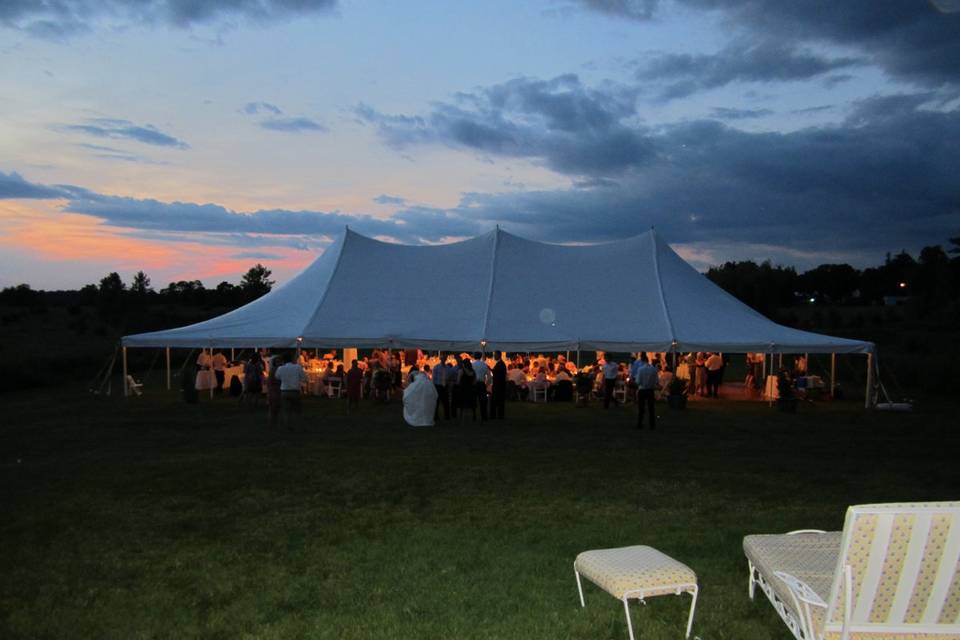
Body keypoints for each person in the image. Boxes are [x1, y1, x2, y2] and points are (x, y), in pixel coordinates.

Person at [275, 354, 307, 430]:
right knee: (297, 410)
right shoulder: (298, 367)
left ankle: (287, 426)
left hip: (284, 391)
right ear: (293, 359)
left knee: (286, 410)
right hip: (295, 391)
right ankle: (298, 426)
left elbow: (277, 377)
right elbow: (304, 378)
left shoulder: (280, 368)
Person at [629, 352, 658, 429]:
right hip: (650, 390)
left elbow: (638, 382)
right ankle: (652, 424)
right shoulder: (653, 369)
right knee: (651, 408)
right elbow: (656, 381)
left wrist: (633, 382)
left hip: (642, 390)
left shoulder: (640, 369)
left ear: (642, 359)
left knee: (641, 408)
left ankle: (639, 424)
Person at [471, 352, 490, 421]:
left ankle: (474, 415)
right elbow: (489, 376)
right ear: (481, 357)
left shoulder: (472, 364)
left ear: (474, 356)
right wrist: (486, 384)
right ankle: (483, 416)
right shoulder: (484, 365)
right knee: (483, 401)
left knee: (473, 400)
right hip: (482, 384)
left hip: (474, 384)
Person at [457, 357, 477, 422]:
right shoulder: (473, 371)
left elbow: (458, 381)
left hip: (463, 389)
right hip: (471, 389)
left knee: (462, 405)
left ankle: (462, 418)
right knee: (471, 405)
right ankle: (472, 417)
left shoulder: (461, 371)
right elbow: (474, 381)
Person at [432, 354, 451, 421]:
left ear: (445, 359)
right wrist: (433, 387)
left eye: (444, 358)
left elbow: (449, 377)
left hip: (445, 386)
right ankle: (435, 416)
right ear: (440, 359)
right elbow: (434, 378)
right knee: (436, 402)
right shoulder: (436, 367)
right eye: (442, 358)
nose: (443, 360)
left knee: (446, 402)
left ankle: (447, 416)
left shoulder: (448, 368)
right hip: (438, 386)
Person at [266, 355, 282, 427]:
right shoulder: (273, 370)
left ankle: (276, 423)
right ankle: (271, 423)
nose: (279, 363)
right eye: (278, 362)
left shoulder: (279, 369)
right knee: (272, 407)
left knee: (278, 407)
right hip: (274, 390)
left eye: (279, 361)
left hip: (278, 389)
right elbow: (270, 381)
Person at [490, 351, 507, 419]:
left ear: (499, 355)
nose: (494, 357)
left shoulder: (500, 364)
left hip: (499, 385)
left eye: (495, 355)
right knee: (499, 401)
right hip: (500, 385)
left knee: (496, 400)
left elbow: (497, 373)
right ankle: (499, 415)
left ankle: (495, 415)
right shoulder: (500, 363)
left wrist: (490, 369)